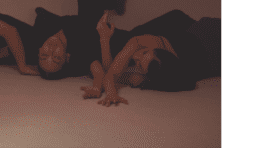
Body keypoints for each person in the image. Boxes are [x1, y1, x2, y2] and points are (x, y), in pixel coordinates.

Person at [80, 10, 221, 106]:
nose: (136, 55)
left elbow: (112, 74)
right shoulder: (142, 43)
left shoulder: (178, 72)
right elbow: (111, 74)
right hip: (200, 32)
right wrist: (111, 93)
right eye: (144, 54)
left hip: (208, 41)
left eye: (140, 62)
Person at [34, 0, 130, 79]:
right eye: (56, 57)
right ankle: (116, 4)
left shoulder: (42, 29)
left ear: (39, 51)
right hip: (118, 41)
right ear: (67, 57)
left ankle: (116, 5)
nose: (51, 50)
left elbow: (42, 16)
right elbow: (104, 71)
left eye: (44, 55)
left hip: (86, 23)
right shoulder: (80, 49)